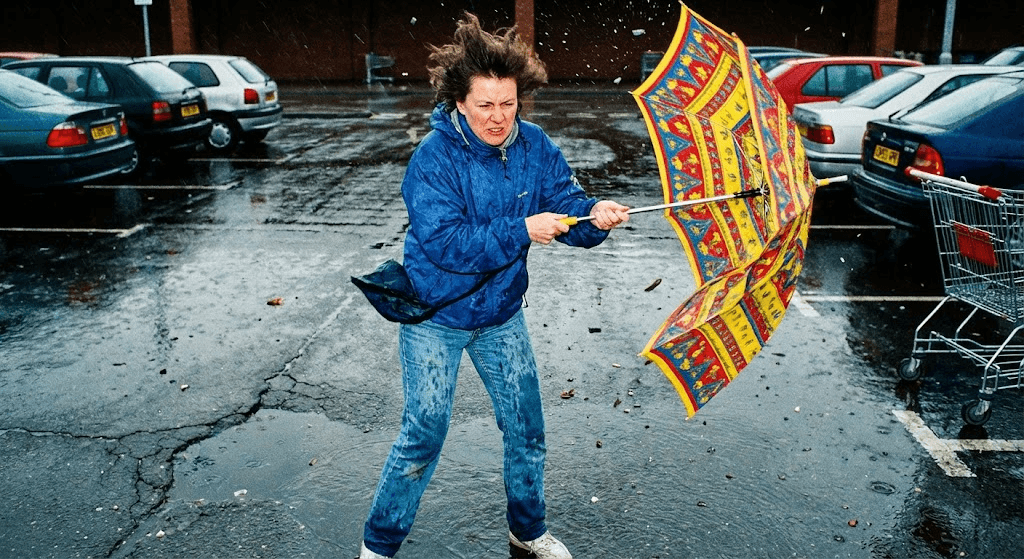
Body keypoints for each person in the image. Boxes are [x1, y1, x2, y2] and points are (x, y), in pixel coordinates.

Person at [359, 13, 630, 559]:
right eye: (485, 105)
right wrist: (523, 229)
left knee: (527, 429)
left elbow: (565, 204)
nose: (498, 117)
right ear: (459, 101)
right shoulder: (433, 159)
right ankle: (377, 547)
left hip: (501, 315)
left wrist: (593, 216)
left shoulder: (534, 145)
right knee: (423, 435)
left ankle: (527, 531)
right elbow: (445, 243)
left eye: (507, 104)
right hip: (436, 314)